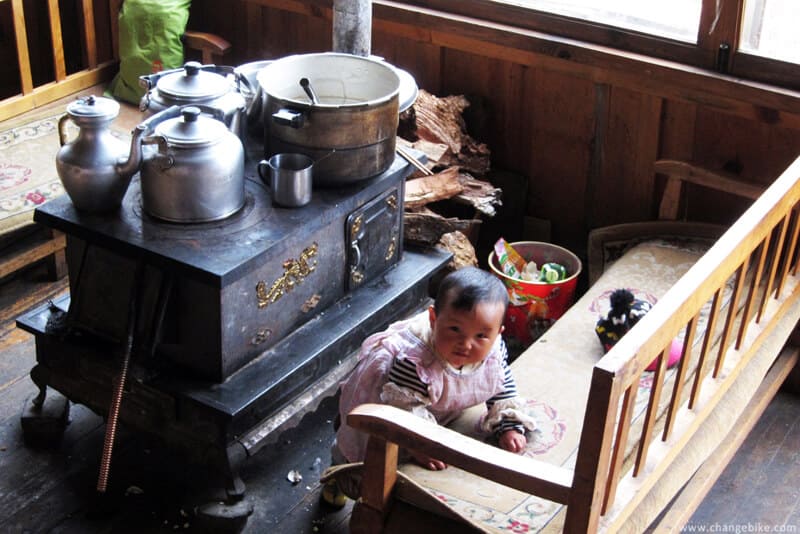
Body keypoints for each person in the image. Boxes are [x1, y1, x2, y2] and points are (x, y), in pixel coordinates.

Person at [323, 267, 536, 506]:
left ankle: (438, 410)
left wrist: (508, 426)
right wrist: (420, 445)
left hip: (431, 399)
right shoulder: (415, 361)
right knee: (362, 449)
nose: (465, 345)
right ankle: (336, 474)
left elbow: (501, 382)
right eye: (454, 329)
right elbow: (404, 410)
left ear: (498, 333)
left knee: (439, 403)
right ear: (434, 320)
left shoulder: (493, 351)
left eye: (481, 336)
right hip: (393, 399)